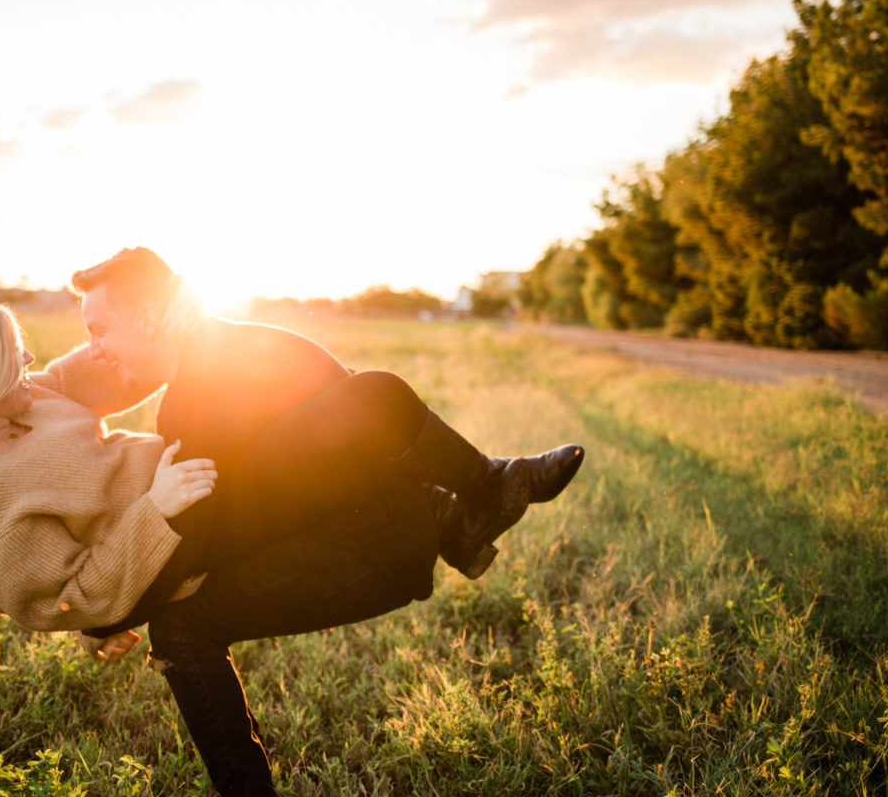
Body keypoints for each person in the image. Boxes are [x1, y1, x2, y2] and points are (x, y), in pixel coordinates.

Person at [68, 248, 582, 795]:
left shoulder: (218, 374)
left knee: (182, 625)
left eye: (99, 330)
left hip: (372, 548)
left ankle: (477, 496)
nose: (92, 351)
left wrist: (103, 614)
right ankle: (474, 502)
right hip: (370, 525)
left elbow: (192, 545)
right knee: (180, 627)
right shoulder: (204, 377)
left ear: (149, 318)